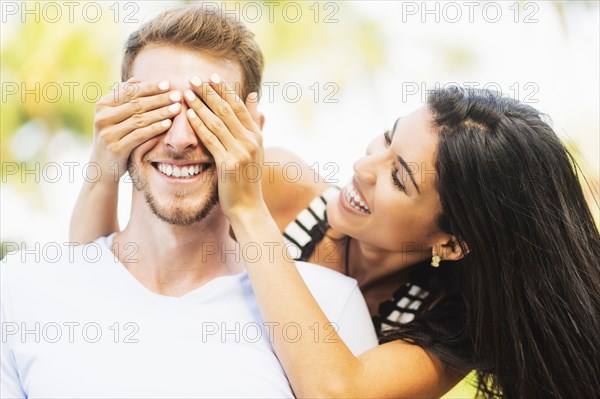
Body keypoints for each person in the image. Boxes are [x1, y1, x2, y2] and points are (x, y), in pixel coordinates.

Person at [71, 6, 599, 399]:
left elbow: (334, 392)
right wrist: (103, 171)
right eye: (386, 138)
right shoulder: (279, 184)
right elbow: (100, 285)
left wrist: (247, 213)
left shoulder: (448, 324)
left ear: (452, 242)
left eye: (398, 177)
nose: (363, 168)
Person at [0, 7, 379, 398]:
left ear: (254, 131)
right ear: (116, 119)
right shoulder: (20, 288)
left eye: (207, 112)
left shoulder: (331, 308)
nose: (180, 139)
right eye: (157, 110)